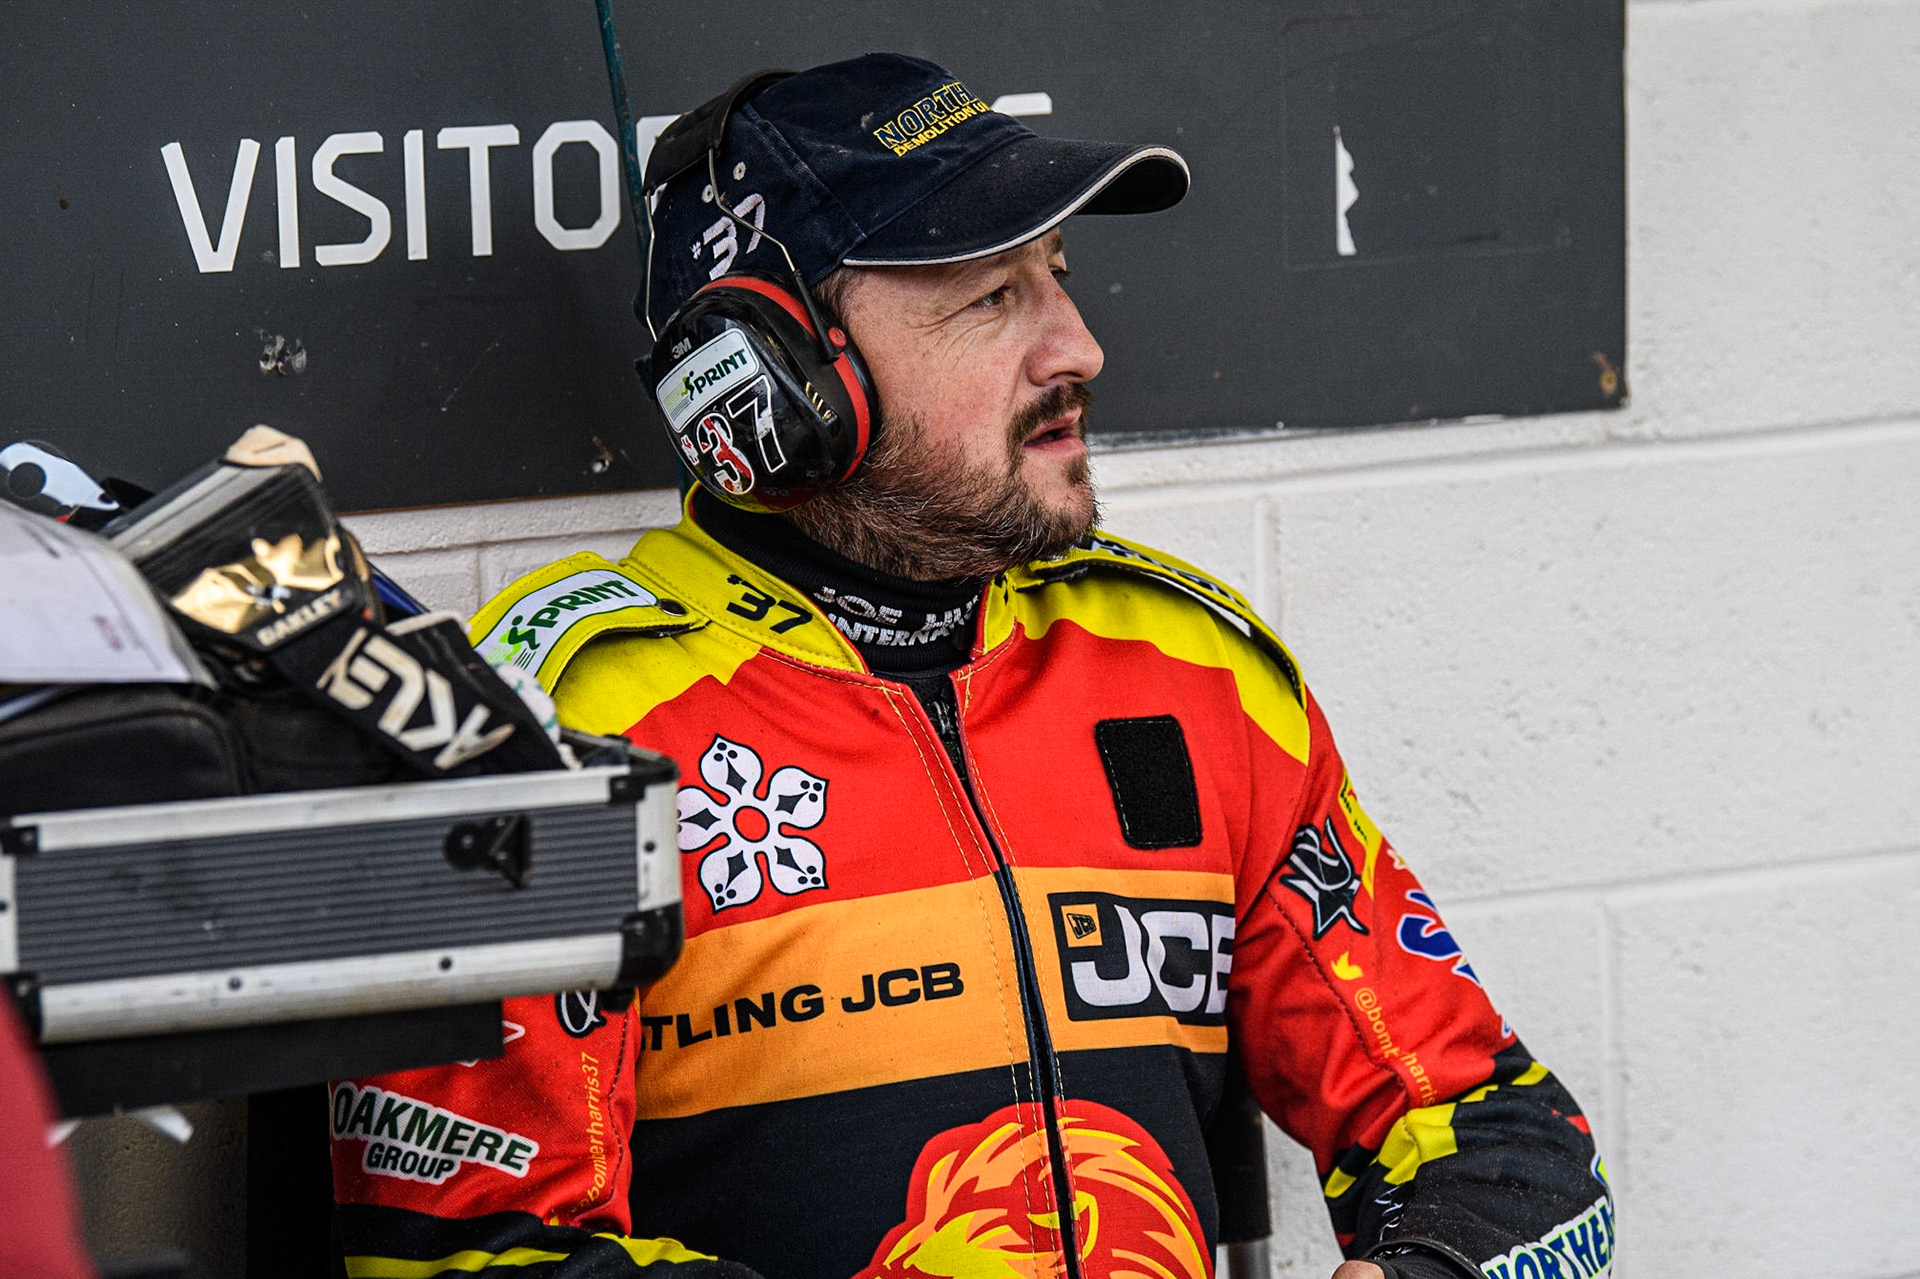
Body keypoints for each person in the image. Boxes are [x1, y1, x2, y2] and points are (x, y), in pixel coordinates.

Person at [330, 54, 1613, 1279]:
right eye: (993, 299)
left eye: (1056, 274)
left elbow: (1498, 1137)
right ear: (769, 380)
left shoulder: (1185, 672)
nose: (1078, 349)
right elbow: (467, 1250)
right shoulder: (552, 726)